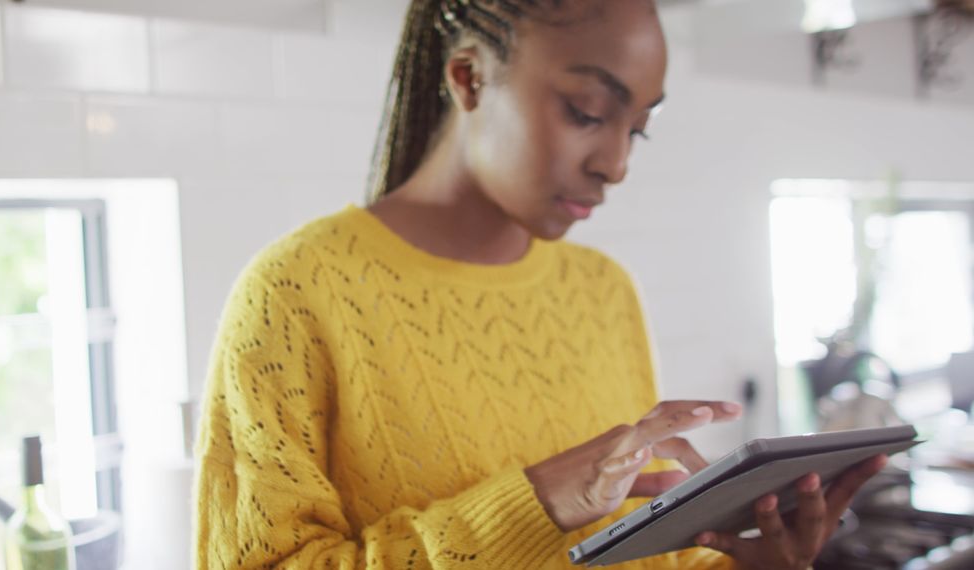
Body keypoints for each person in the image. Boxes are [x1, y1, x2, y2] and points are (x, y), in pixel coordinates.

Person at [192, 0, 887, 568]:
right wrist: (537, 502)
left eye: (637, 129)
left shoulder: (603, 290)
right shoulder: (296, 293)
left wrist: (739, 563)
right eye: (587, 111)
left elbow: (632, 546)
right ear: (467, 77)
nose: (615, 164)